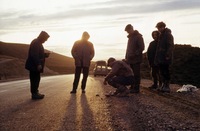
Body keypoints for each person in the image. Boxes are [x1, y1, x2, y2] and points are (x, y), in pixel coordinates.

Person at [25, 31, 50, 100]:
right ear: (42, 37)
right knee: (34, 79)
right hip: (34, 66)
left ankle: (36, 92)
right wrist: (38, 64)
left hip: (35, 65)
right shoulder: (36, 43)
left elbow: (38, 54)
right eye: (45, 39)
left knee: (36, 79)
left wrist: (45, 55)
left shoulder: (38, 43)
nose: (46, 40)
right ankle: (34, 94)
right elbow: (34, 55)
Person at [124, 24, 145, 93]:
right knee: (131, 74)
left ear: (132, 29)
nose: (127, 32)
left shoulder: (138, 37)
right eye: (127, 31)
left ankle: (136, 88)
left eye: (128, 30)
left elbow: (142, 47)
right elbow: (128, 49)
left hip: (136, 59)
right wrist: (126, 57)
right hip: (130, 59)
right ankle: (132, 86)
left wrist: (135, 54)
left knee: (136, 74)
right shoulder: (130, 38)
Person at [155, 21, 174, 93]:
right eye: (158, 28)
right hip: (160, 57)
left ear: (163, 27)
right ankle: (163, 85)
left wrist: (168, 55)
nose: (158, 29)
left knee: (166, 71)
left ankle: (167, 86)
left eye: (159, 27)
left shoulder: (168, 35)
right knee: (162, 71)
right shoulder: (161, 35)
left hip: (165, 57)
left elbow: (170, 46)